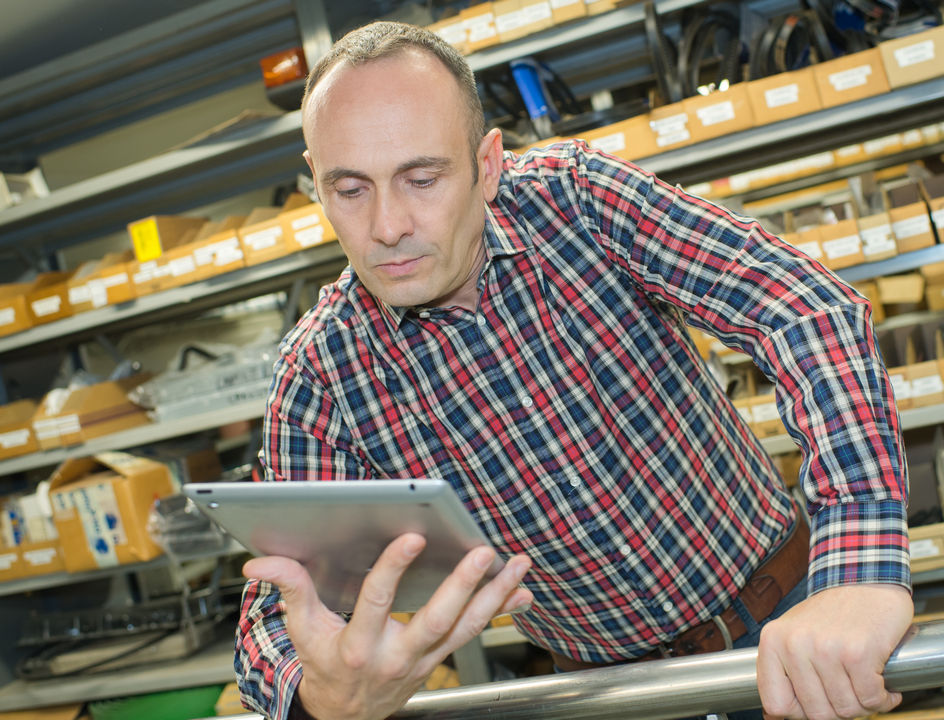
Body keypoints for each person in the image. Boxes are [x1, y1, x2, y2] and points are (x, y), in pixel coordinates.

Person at [236, 20, 913, 720]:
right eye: (351, 190)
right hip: (603, 696)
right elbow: (273, 612)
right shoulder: (321, 374)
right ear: (318, 187)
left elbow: (804, 310)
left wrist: (856, 575)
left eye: (422, 177)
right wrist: (317, 693)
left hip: (796, 625)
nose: (387, 225)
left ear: (488, 163)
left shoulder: (578, 202)